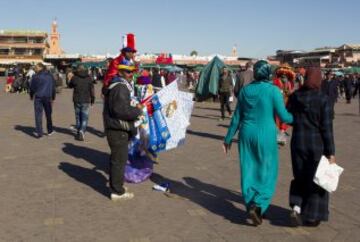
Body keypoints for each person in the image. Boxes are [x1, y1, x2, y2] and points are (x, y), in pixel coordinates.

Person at [223, 60, 293, 226]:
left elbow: (236, 118)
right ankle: (259, 204)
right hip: (266, 135)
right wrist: (301, 117)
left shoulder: (246, 90)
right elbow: (285, 117)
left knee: (248, 169)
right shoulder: (274, 91)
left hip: (246, 134)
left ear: (254, 73)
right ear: (269, 73)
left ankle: (251, 203)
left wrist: (227, 139)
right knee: (268, 170)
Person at [287, 67, 336, 227]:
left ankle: (296, 206)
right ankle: (313, 216)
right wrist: (331, 152)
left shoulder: (295, 96)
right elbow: (327, 129)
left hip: (298, 143)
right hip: (317, 145)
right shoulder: (323, 99)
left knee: (299, 176)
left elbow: (288, 118)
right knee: (317, 180)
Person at [103, 61, 143, 201]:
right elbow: (120, 110)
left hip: (115, 127)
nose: (131, 74)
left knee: (117, 159)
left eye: (132, 71)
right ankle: (117, 191)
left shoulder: (118, 85)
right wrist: (137, 111)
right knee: (119, 160)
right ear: (120, 72)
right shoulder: (120, 87)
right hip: (118, 128)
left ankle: (116, 185)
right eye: (127, 71)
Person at [68, 65, 95, 141]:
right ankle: (82, 131)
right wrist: (93, 99)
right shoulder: (89, 78)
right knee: (84, 117)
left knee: (78, 116)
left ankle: (79, 130)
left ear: (78, 70)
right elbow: (92, 89)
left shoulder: (75, 77)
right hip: (86, 100)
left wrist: (69, 79)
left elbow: (70, 86)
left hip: (77, 99)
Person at [29, 63, 56, 138]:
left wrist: (31, 95)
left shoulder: (35, 76)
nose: (35, 69)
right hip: (47, 97)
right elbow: (53, 87)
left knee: (38, 115)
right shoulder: (50, 76)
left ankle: (39, 133)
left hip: (38, 97)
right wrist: (53, 97)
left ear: (40, 68)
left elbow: (32, 87)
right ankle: (50, 130)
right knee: (48, 114)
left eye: (36, 68)